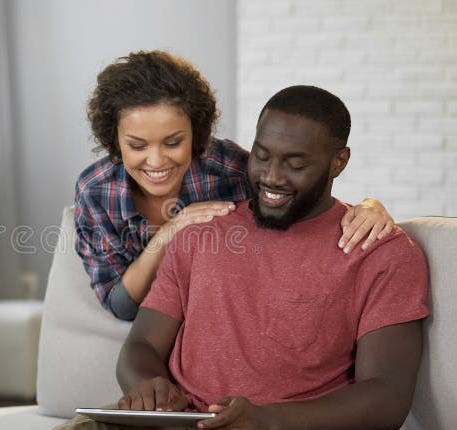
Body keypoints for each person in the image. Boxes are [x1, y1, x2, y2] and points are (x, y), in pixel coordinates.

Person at [37, 85, 429, 430]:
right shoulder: (201, 232)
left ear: (338, 162)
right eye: (262, 156)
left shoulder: (381, 253)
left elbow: (386, 398)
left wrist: (265, 421)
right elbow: (140, 344)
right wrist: (150, 386)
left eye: (295, 164)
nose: (272, 177)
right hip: (177, 421)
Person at [75, 50, 395, 321]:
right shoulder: (96, 191)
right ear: (114, 139)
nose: (156, 161)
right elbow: (121, 305)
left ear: (196, 132)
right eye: (137, 145)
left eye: (173, 142)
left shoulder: (224, 166)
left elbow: (297, 198)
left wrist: (367, 208)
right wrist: (174, 229)